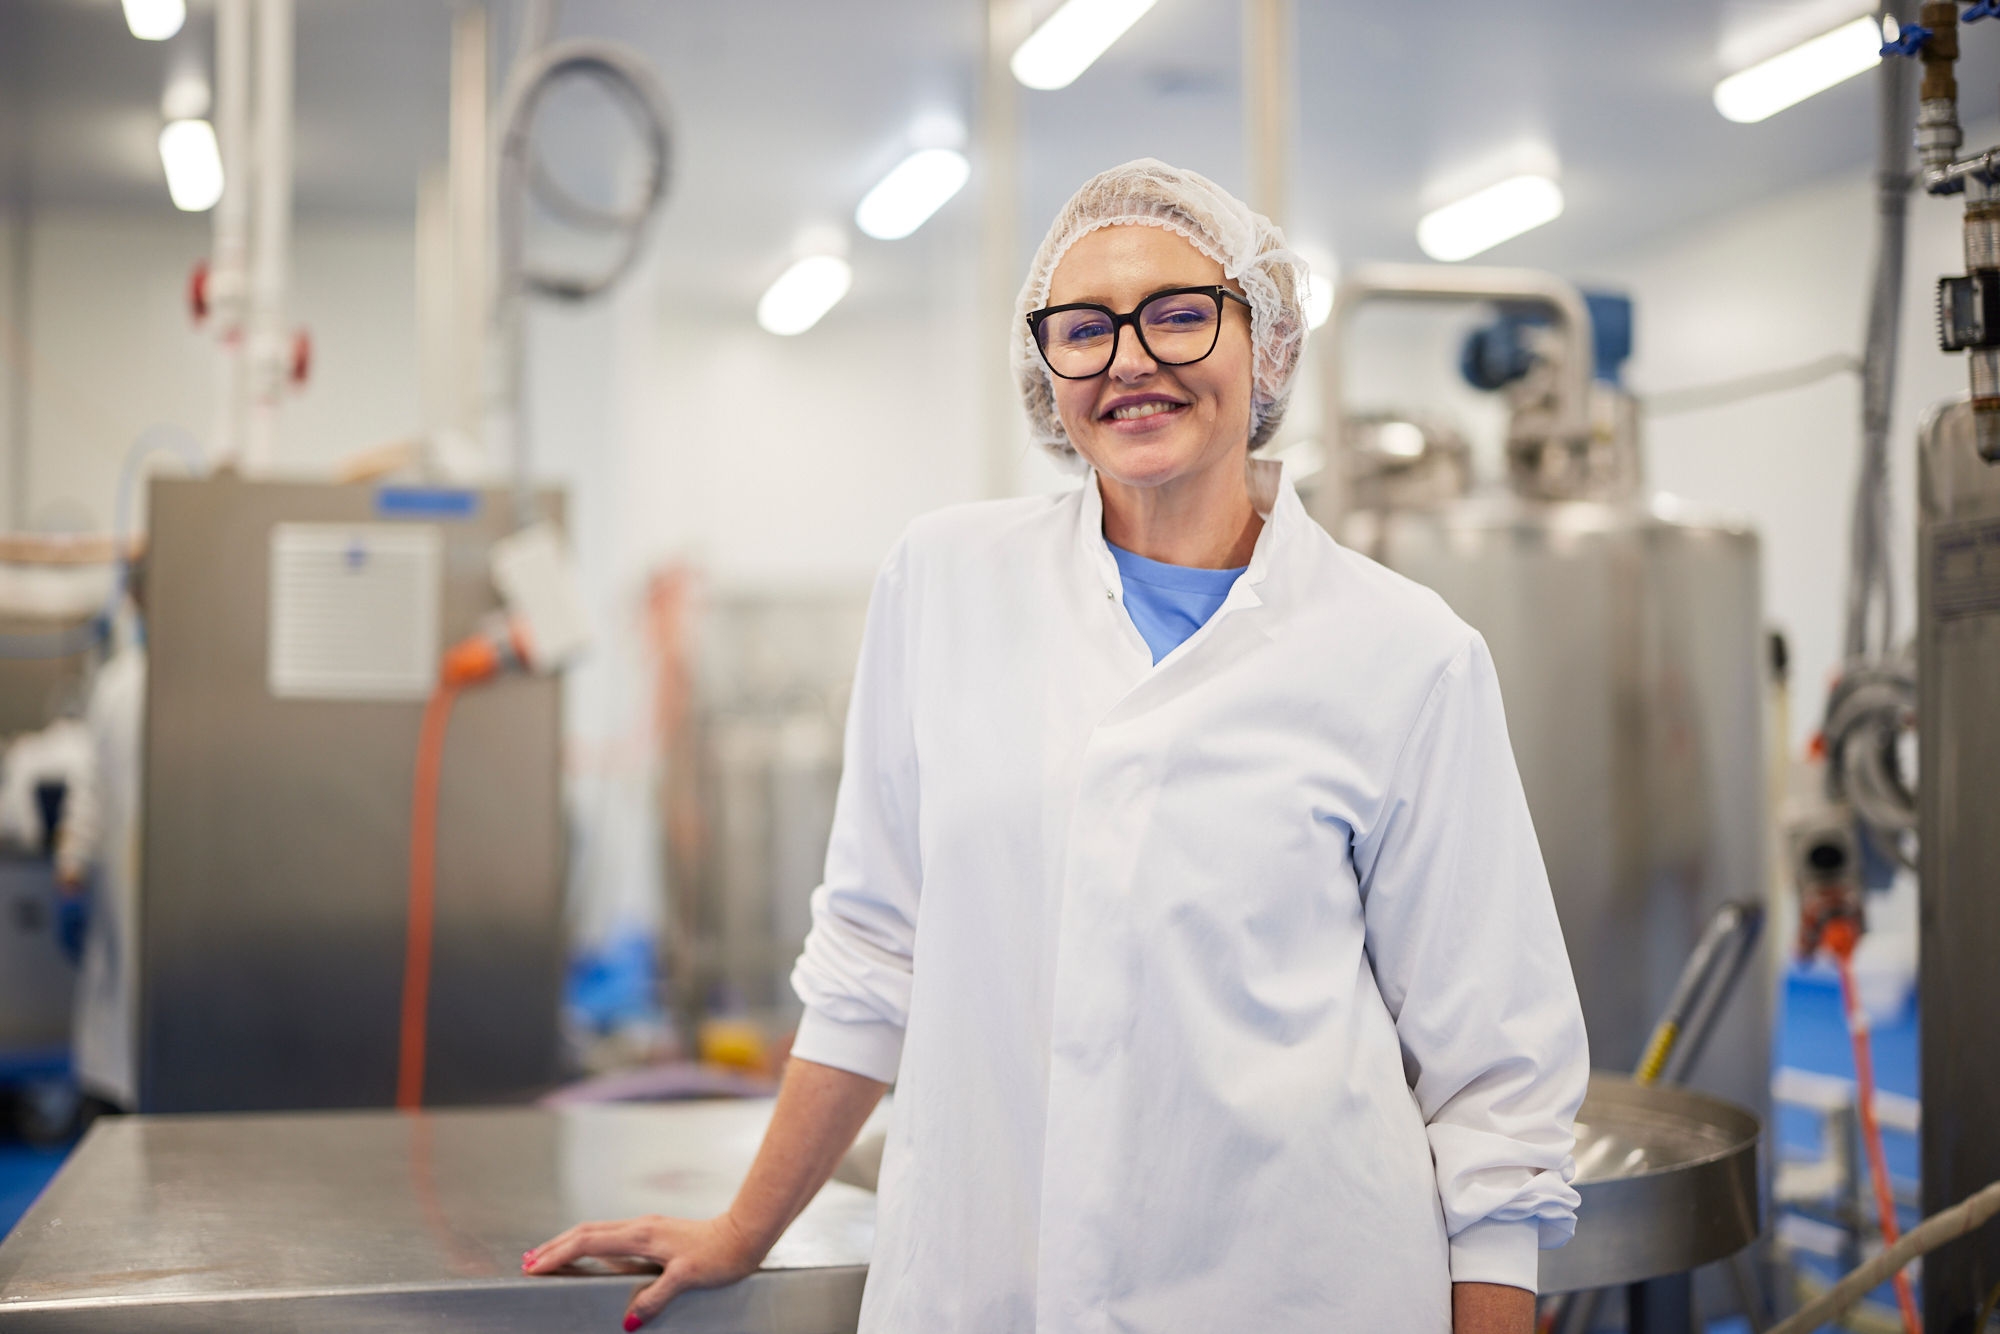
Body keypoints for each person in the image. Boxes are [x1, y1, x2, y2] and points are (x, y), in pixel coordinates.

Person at [527, 159, 1589, 1334]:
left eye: (1181, 313)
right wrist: (743, 1227)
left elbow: (1495, 1072)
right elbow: (874, 950)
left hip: (1297, 1279)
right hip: (985, 1281)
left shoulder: (1404, 652)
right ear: (1047, 371)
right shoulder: (944, 579)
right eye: (1083, 329)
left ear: (1268, 341)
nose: (1130, 357)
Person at [55, 559, 147, 1116]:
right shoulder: (120, 683)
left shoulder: (209, 686)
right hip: (124, 888)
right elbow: (91, 783)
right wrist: (73, 854)